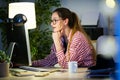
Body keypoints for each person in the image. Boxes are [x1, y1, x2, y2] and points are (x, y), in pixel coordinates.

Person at [32, 7, 96, 69]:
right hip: (74, 73)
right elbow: (49, 61)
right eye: (52, 21)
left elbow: (66, 65)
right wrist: (30, 64)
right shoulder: (61, 37)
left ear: (65, 21)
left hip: (86, 74)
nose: (52, 24)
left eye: (55, 20)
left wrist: (56, 41)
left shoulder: (77, 38)